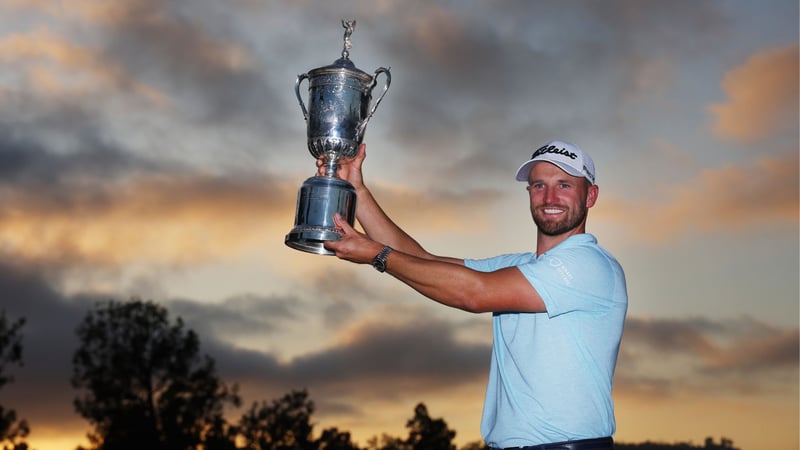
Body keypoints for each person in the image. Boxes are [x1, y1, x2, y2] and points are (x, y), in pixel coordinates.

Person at [321, 140, 627, 450]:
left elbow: (473, 294)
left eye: (564, 185)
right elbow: (423, 261)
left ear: (591, 196)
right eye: (539, 185)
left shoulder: (591, 265)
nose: (549, 197)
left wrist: (377, 255)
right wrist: (356, 190)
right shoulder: (519, 266)